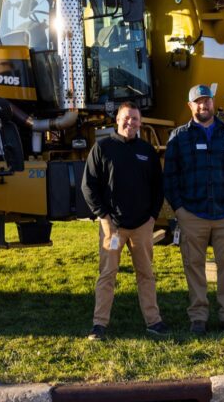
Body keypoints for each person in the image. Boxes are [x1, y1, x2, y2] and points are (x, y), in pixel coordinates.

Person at [164, 84, 224, 335]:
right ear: (190, 106)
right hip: (192, 214)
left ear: (213, 103)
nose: (204, 105)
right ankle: (198, 317)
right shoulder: (179, 137)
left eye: (207, 101)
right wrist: (179, 210)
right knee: (194, 267)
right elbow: (170, 177)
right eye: (198, 102)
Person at [81, 101, 168, 340]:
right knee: (107, 274)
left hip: (141, 227)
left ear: (140, 123)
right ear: (117, 120)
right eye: (126, 118)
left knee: (146, 274)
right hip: (113, 228)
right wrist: (103, 216)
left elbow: (158, 188)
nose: (131, 123)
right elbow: (88, 186)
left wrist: (152, 218)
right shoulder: (103, 148)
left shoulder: (147, 151)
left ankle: (154, 321)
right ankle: (99, 325)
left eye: (135, 119)